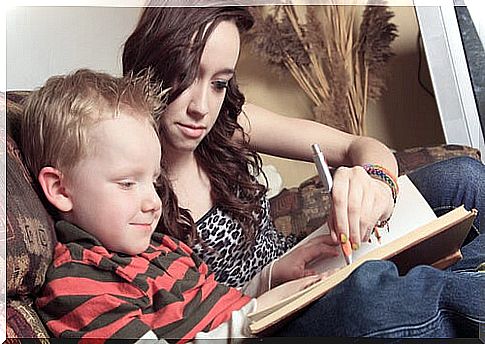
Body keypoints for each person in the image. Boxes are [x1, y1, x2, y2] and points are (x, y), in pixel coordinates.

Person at [23, 69, 484, 342]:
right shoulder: (79, 284)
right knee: (374, 294)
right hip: (263, 329)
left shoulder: (159, 249)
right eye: (128, 183)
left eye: (221, 82)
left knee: (460, 182)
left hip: (270, 305)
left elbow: (222, 299)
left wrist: (272, 277)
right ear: (60, 190)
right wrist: (254, 315)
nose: (151, 201)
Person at [122, 5, 484, 290]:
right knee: (382, 297)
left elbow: (359, 145)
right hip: (264, 313)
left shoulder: (225, 125)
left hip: (308, 266)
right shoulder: (121, 168)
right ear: (151, 63)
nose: (201, 106)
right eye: (185, 76)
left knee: (465, 178)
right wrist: (268, 283)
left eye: (219, 83)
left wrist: (376, 183)